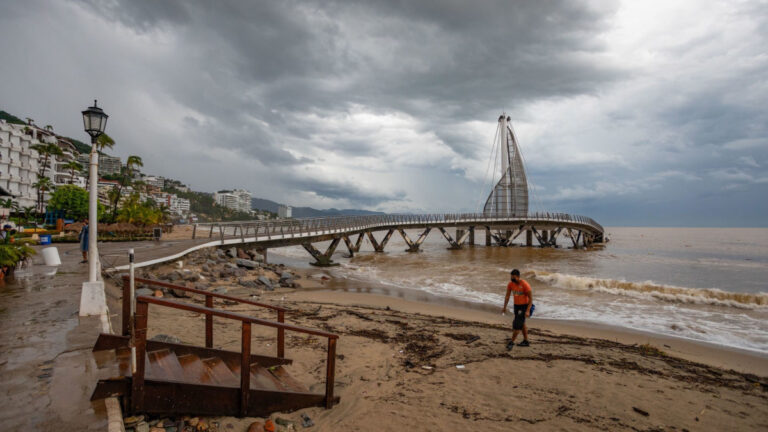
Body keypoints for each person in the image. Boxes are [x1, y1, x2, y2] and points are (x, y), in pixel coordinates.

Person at [501, 269, 533, 349]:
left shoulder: (525, 285)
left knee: (517, 325)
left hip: (524, 306)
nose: (512, 279)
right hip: (516, 306)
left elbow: (531, 299)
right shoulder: (511, 284)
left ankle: (512, 342)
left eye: (514, 277)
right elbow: (507, 296)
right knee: (522, 324)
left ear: (518, 277)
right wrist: (504, 307)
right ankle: (526, 341)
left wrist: (528, 310)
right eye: (511, 277)